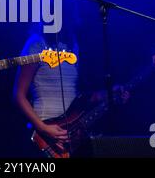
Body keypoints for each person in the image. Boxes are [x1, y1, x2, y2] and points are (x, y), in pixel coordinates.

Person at [13, 17, 129, 157]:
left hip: (72, 136)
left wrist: (107, 94)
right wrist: (43, 128)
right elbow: (19, 95)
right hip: (45, 135)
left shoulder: (72, 43)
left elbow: (74, 95)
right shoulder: (36, 43)